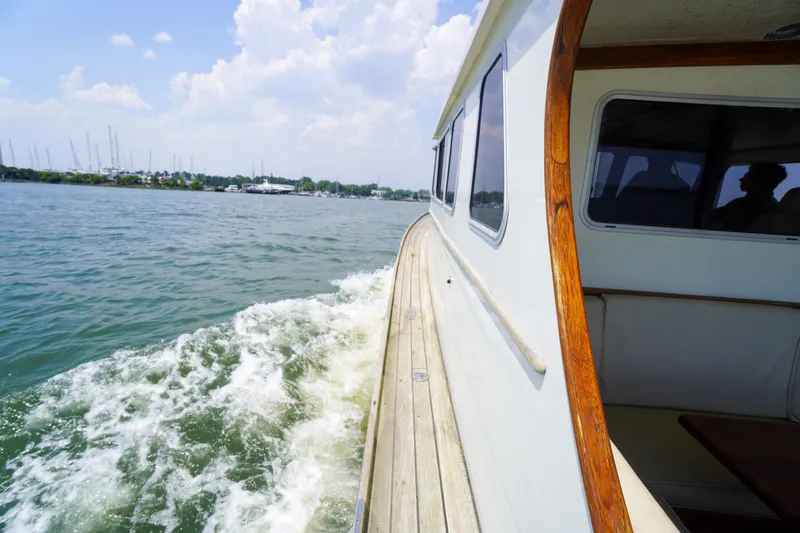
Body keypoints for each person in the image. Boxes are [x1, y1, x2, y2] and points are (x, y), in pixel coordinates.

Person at [714, 162, 788, 232]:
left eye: (747, 176)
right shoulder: (741, 203)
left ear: (760, 181)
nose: (741, 179)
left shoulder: (761, 209)